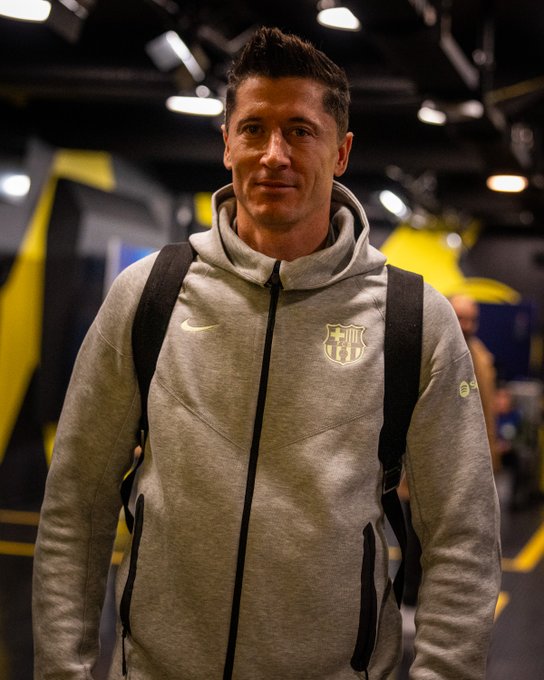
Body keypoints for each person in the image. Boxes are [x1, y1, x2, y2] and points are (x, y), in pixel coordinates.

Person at [32, 27, 501, 680]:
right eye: (254, 129)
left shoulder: (411, 318)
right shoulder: (149, 296)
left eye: (300, 131)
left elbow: (463, 537)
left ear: (341, 151)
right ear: (227, 141)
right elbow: (75, 510)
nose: (273, 154)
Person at [449, 294, 499, 471]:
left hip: (470, 458)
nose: (467, 326)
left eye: (472, 320)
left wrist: (492, 459)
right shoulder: (428, 352)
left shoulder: (483, 358)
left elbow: (488, 412)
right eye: (460, 318)